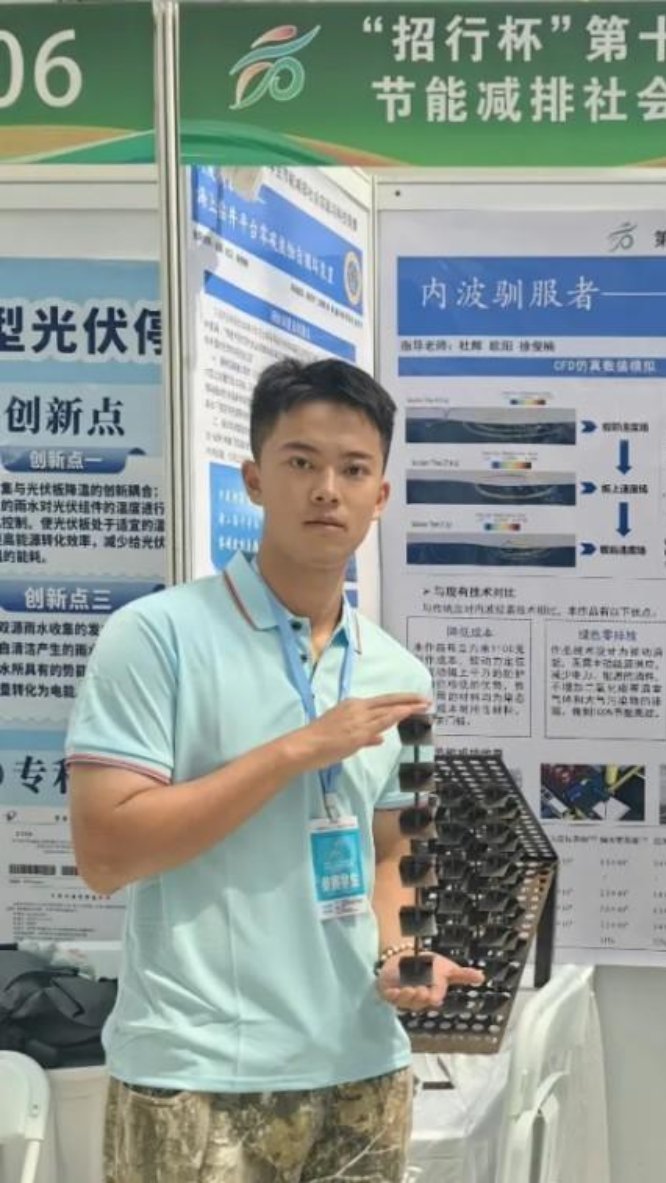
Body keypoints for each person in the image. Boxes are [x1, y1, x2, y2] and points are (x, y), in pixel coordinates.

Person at [65, 358, 481, 1182]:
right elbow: (105, 853)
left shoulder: (400, 674)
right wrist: (296, 750)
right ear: (254, 480)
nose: (327, 489)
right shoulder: (155, 637)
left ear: (380, 497)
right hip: (197, 1075)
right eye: (301, 462)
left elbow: (395, 846)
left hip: (361, 1065)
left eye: (353, 469)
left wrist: (401, 953)